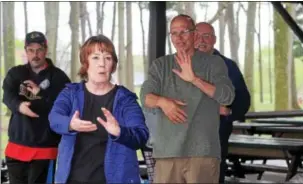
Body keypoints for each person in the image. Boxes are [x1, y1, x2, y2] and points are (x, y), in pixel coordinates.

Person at [140, 14, 235, 183]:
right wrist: (163, 102)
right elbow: (145, 97)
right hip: (167, 153)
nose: (179, 38)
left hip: (203, 152)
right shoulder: (161, 65)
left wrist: (194, 79)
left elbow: (227, 96)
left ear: (194, 34)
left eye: (183, 32)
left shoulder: (214, 63)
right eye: (174, 33)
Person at [48, 35, 149, 184]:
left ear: (113, 64)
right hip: (73, 179)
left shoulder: (125, 99)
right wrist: (70, 124)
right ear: (85, 63)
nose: (102, 64)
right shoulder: (71, 93)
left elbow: (141, 134)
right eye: (95, 57)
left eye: (107, 58)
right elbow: (54, 118)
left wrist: (120, 132)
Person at [2, 31, 71, 184]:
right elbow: (7, 96)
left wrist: (41, 94)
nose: (35, 54)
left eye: (39, 49)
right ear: (26, 51)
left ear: (45, 50)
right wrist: (19, 106)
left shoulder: (59, 78)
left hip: (44, 150)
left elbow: (64, 107)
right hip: (16, 147)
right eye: (31, 50)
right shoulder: (16, 73)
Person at [195, 22, 251, 183]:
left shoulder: (228, 66)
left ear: (214, 40)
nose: (201, 40)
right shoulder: (180, 64)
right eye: (197, 36)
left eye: (206, 36)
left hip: (214, 138)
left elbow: (243, 99)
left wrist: (229, 111)